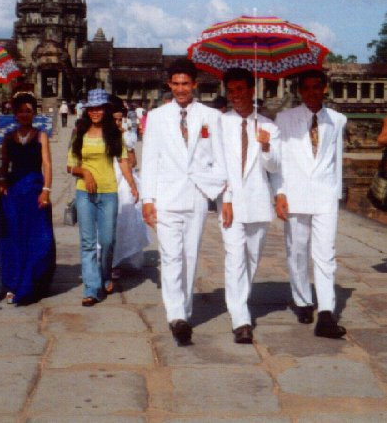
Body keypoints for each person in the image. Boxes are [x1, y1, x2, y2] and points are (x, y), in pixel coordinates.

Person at [141, 58, 228, 346]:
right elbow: (150, 159)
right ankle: (176, 315)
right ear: (169, 85)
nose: (181, 89)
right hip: (166, 195)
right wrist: (147, 199)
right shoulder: (157, 117)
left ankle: (185, 310)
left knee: (190, 255)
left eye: (185, 84)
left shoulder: (211, 116)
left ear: (194, 84)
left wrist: (214, 191)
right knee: (170, 256)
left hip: (197, 196)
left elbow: (220, 158)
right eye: (176, 84)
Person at [274, 69, 347, 339]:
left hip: (325, 194)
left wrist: (337, 193)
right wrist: (279, 193)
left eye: (318, 86)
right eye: (307, 88)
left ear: (325, 88)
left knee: (325, 253)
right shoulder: (285, 119)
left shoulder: (337, 120)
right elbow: (278, 161)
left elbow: (336, 159)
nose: (313, 92)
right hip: (295, 193)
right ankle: (303, 299)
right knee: (297, 250)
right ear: (300, 91)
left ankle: (326, 311)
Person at [220, 68, 280, 344]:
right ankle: (240, 318)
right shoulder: (221, 123)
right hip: (230, 201)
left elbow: (275, 167)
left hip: (257, 199)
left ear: (251, 91)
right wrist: (227, 198)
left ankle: (240, 300)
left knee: (252, 257)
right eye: (230, 91)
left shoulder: (269, 125)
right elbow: (218, 166)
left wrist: (267, 148)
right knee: (234, 258)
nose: (235, 96)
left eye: (240, 90)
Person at [67, 88, 138, 306]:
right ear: (87, 111)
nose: (96, 112)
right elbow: (70, 166)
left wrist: (132, 185)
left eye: (100, 108)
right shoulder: (80, 133)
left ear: (105, 110)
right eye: (92, 108)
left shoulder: (114, 134)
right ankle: (91, 288)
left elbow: (124, 161)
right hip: (84, 193)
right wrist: (85, 173)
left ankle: (105, 274)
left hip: (108, 192)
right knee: (88, 243)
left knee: (107, 241)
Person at [0, 93, 56, 305]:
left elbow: (47, 164)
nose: (24, 114)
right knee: (13, 237)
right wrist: (2, 180)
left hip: (34, 189)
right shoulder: (8, 137)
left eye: (28, 111)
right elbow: (4, 165)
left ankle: (35, 280)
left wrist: (47, 190)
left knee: (38, 237)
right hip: (13, 191)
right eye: (20, 110)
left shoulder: (41, 135)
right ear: (15, 113)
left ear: (34, 114)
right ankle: (13, 282)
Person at [110, 100, 150, 278]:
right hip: (107, 175)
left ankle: (120, 258)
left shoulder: (126, 136)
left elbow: (133, 161)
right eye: (114, 120)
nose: (117, 123)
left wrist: (126, 149)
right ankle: (107, 260)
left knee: (125, 215)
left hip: (124, 176)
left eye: (120, 120)